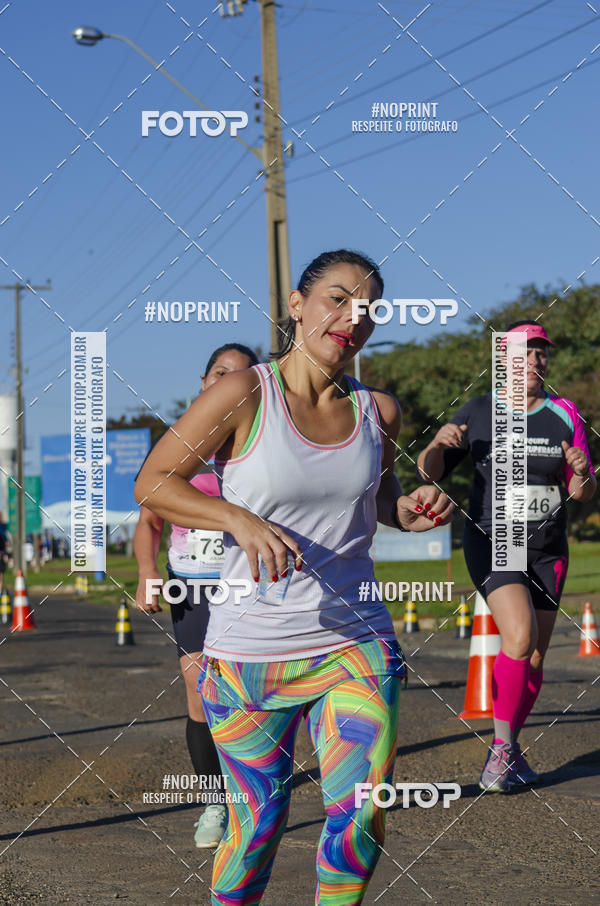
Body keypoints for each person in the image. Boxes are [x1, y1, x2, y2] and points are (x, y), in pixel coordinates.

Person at [135, 249, 453, 905]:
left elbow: (380, 499)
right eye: (337, 297)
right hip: (250, 651)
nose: (351, 316)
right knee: (255, 830)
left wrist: (407, 509)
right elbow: (154, 484)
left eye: (367, 307)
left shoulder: (379, 412)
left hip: (355, 642)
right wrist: (235, 519)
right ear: (297, 305)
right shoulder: (243, 393)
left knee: (361, 814)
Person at [417, 320, 597, 793]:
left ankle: (511, 749)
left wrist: (581, 470)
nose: (536, 360)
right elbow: (431, 471)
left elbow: (581, 492)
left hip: (548, 547)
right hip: (493, 538)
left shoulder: (564, 413)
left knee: (534, 656)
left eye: (542, 353)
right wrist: (437, 445)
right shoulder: (479, 411)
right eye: (527, 352)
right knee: (517, 638)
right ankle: (499, 753)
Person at [134, 343, 258, 848]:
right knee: (197, 687)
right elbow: (149, 521)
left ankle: (249, 791)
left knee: (248, 689)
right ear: (204, 383)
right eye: (220, 373)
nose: (229, 381)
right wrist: (147, 572)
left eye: (242, 375)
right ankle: (214, 801)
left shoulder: (257, 445)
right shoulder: (178, 447)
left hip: (248, 584)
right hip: (191, 583)